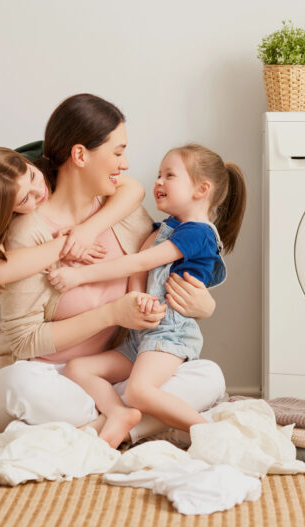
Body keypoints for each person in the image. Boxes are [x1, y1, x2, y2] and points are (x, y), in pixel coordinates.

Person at [0, 94, 226, 441]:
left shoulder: (124, 212)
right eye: (117, 152)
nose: (127, 162)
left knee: (208, 375)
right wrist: (112, 313)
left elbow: (163, 270)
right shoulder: (29, 232)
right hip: (48, 375)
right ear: (80, 155)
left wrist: (205, 304)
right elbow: (24, 342)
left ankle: (104, 425)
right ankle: (127, 422)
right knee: (17, 386)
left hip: (107, 373)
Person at [47, 144, 246, 447]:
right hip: (140, 336)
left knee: (139, 391)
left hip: (170, 335)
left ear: (201, 189)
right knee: (78, 368)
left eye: (169, 176)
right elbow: (138, 272)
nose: (158, 182)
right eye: (158, 175)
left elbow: (140, 262)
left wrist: (79, 275)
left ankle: (211, 433)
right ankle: (118, 414)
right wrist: (137, 299)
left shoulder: (199, 233)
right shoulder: (167, 228)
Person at [0, 146, 145, 294]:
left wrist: (87, 231)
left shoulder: (50, 158)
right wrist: (67, 245)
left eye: (32, 176)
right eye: (25, 199)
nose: (39, 191)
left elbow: (133, 189)